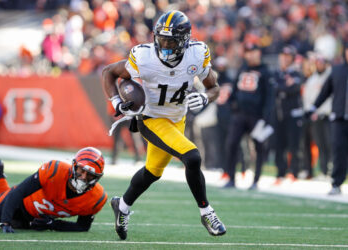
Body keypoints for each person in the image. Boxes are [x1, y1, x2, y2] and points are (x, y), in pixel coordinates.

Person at [101, 10, 226, 239]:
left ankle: (122, 206)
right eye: (161, 39)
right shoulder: (144, 56)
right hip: (151, 118)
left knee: (152, 172)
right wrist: (118, 102)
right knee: (192, 157)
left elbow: (214, 87)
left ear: (185, 41)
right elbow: (109, 72)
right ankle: (207, 212)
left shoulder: (197, 54)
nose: (165, 45)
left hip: (177, 118)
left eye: (171, 40)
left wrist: (206, 97)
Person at [0, 147, 107, 233]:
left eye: (90, 175)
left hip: (33, 220)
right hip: (20, 204)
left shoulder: (96, 198)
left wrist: (52, 224)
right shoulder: (55, 171)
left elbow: (82, 226)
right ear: (74, 166)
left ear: (97, 177)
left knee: (19, 225)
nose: (83, 177)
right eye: (81, 170)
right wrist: (5, 222)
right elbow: (19, 192)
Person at [223, 43, 272, 190]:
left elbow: (269, 97)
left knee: (259, 148)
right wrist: (231, 103)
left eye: (253, 51)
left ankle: (256, 180)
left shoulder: (265, 71)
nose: (250, 54)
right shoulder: (242, 68)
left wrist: (266, 118)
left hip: (256, 116)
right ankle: (231, 177)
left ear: (259, 53)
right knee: (231, 144)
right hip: (240, 114)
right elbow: (234, 88)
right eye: (248, 52)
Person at [307, 43, 348, 195]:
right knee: (338, 149)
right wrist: (313, 107)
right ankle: (337, 183)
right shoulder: (337, 71)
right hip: (338, 117)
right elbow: (325, 92)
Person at [272, 45, 304, 183]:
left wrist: (281, 87)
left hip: (293, 114)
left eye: (288, 56)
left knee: (294, 144)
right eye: (283, 55)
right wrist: (283, 86)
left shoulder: (297, 73)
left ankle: (294, 172)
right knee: (279, 145)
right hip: (279, 114)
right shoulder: (276, 73)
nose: (285, 58)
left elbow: (293, 88)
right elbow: (275, 88)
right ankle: (280, 172)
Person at [302, 53, 332, 178]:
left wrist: (326, 111)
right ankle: (324, 170)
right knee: (320, 144)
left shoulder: (330, 76)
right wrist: (311, 111)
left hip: (328, 115)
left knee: (329, 144)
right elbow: (307, 98)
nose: (320, 65)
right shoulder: (312, 79)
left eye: (322, 63)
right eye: (318, 63)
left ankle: (330, 170)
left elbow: (331, 97)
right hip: (315, 116)